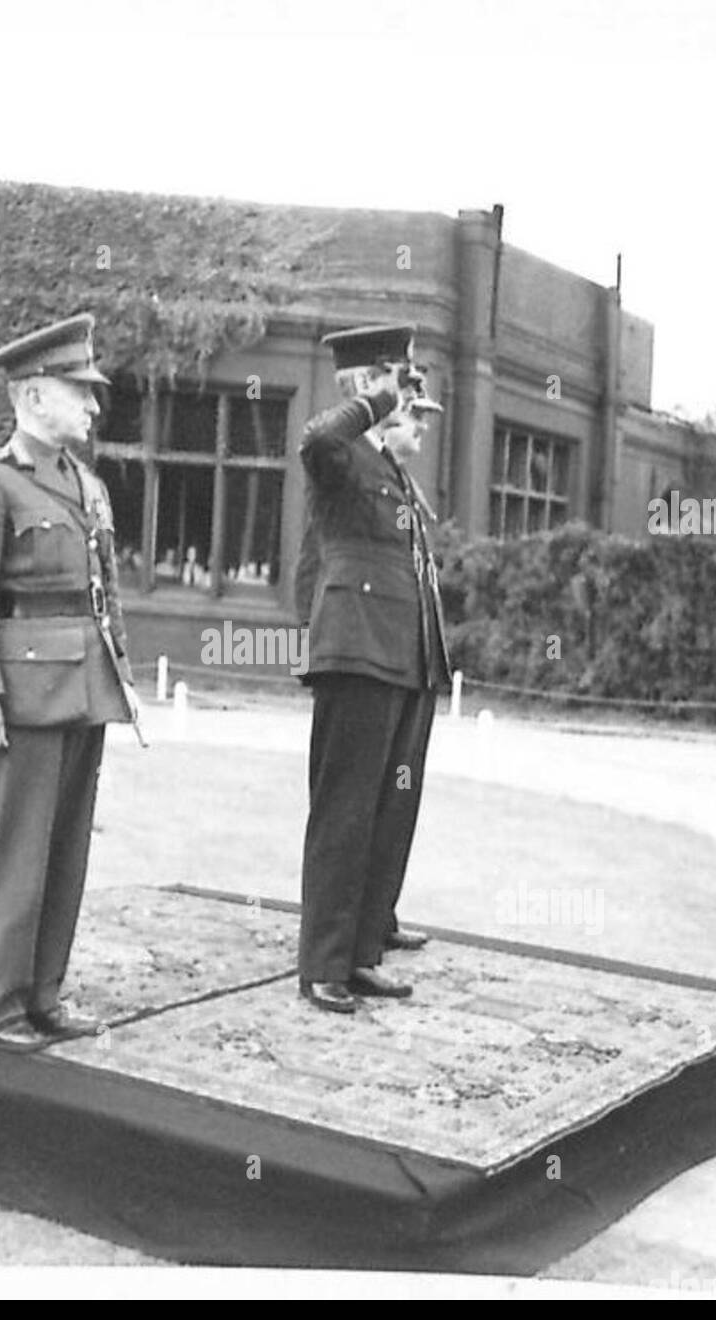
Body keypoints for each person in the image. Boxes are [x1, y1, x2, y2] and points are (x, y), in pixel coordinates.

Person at [0, 312, 140, 1052]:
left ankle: (43, 994)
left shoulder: (86, 485)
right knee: (14, 855)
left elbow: (105, 591)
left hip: (84, 687)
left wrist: (119, 668)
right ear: (31, 397)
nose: (92, 405)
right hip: (21, 697)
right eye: (77, 390)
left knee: (63, 854)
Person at [294, 324, 452, 1014]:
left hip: (402, 659)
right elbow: (316, 439)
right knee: (346, 811)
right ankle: (323, 964)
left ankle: (362, 952)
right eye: (398, 379)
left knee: (388, 810)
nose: (409, 393)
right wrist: (371, 401)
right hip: (358, 656)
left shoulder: (387, 467)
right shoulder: (344, 453)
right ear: (365, 384)